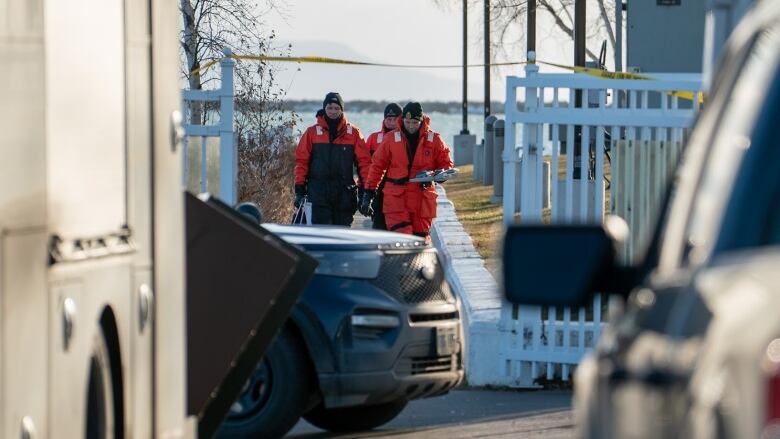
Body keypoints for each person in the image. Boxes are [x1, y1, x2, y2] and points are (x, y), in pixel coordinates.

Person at [361, 102, 453, 240]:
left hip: (422, 200)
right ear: (403, 119)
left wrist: (441, 175)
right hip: (396, 199)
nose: (410, 126)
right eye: (408, 122)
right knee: (402, 238)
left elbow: (446, 164)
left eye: (414, 122)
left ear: (421, 121)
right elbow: (377, 166)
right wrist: (368, 193)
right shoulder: (391, 139)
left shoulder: (434, 140)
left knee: (420, 241)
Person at [294, 92, 371, 226]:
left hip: (344, 195)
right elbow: (302, 162)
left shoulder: (354, 133)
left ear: (342, 110)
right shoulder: (312, 133)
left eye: (337, 108)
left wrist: (365, 193)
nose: (333, 111)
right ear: (324, 109)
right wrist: (299, 190)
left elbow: (364, 164)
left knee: (342, 235)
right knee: (321, 235)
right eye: (330, 108)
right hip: (318, 193)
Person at [363, 103, 402, 230]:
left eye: (395, 119)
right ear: (384, 120)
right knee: (379, 227)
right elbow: (365, 166)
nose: (391, 123)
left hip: (399, 191)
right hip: (377, 191)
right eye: (388, 119)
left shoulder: (406, 139)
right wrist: (364, 193)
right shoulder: (374, 139)